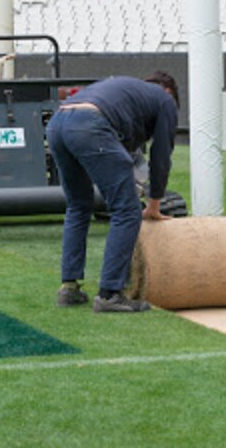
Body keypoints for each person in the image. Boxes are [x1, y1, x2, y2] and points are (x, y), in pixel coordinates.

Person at [47, 72, 179, 313]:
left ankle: (69, 287)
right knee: (127, 210)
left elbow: (124, 148)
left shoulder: (128, 92)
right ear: (170, 93)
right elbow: (161, 157)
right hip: (89, 124)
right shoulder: (165, 101)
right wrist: (154, 204)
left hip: (57, 123)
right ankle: (110, 294)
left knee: (78, 205)